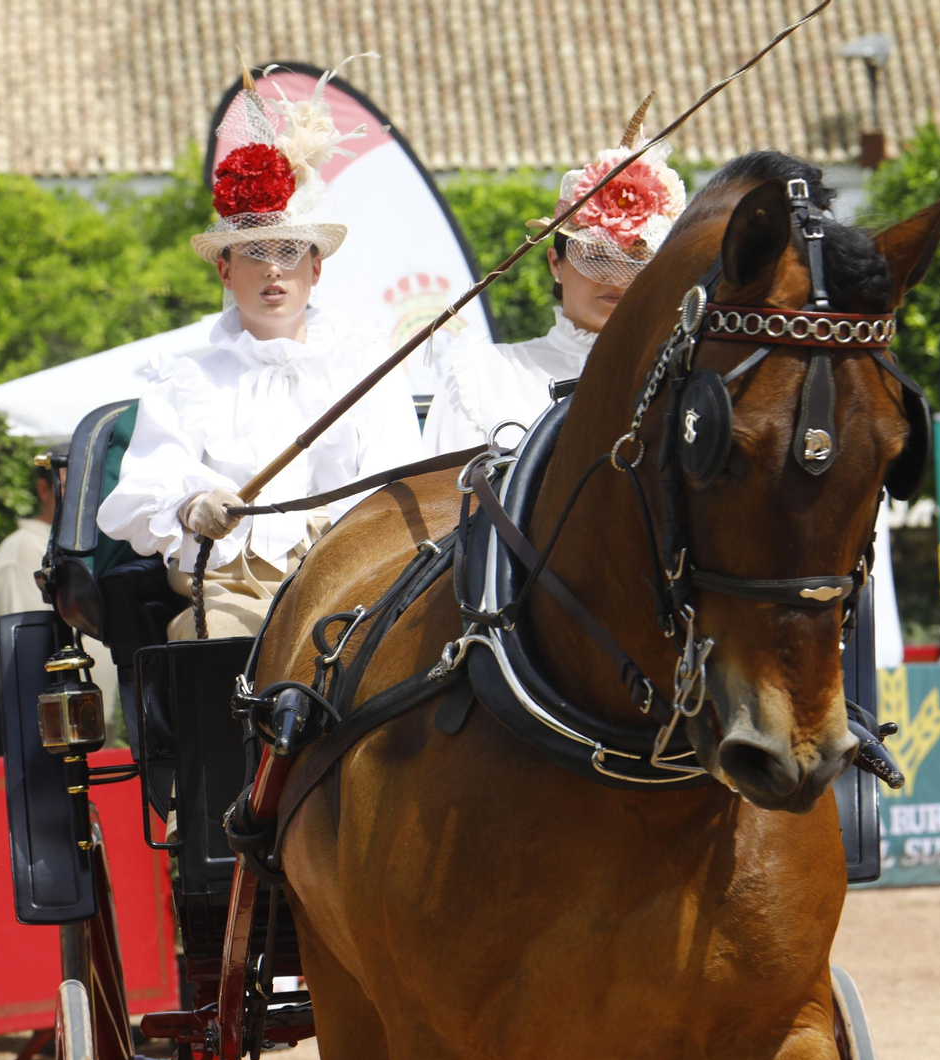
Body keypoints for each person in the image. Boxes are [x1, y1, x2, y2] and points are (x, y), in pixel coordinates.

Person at [98, 62, 423, 639]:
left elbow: (397, 484)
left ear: (316, 268)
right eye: (253, 252)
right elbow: (134, 497)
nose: (274, 268)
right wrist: (191, 501)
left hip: (350, 592)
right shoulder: (183, 378)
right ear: (225, 269)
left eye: (289, 251)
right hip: (229, 593)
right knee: (211, 642)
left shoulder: (368, 370)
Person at [423, 102, 687, 453]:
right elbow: (443, 502)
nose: (616, 278)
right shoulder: (487, 376)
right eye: (595, 257)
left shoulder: (682, 381)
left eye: (635, 262)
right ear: (555, 263)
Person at [0, 458, 117, 743]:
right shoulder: (23, 552)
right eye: (74, 485)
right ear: (44, 489)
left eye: (94, 484)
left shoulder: (80, 549)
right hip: (50, 746)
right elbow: (28, 668)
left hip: (88, 738)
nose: (87, 495)